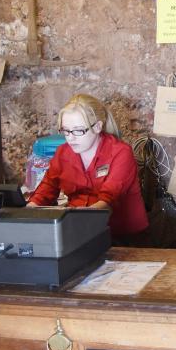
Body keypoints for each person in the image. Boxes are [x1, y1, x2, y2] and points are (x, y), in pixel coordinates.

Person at [28, 94, 148, 243]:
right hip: (78, 231)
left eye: (78, 131)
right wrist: (28, 210)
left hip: (121, 236)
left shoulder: (121, 152)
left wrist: (76, 217)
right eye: (66, 131)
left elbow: (109, 200)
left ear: (97, 127)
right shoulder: (63, 153)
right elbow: (47, 187)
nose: (70, 138)